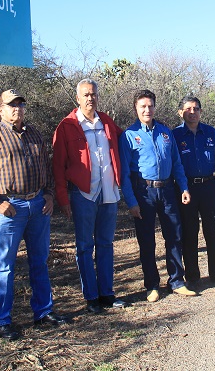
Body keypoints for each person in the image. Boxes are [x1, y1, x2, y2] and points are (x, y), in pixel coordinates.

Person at [0, 89, 68, 341]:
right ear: (0, 110)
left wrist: (48, 195)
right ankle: (2, 320)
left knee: (40, 261)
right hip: (10, 208)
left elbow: (47, 169)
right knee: (4, 265)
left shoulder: (34, 134)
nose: (17, 109)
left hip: (38, 205)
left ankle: (43, 312)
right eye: (12, 105)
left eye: (21, 104)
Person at [52, 79, 135, 314]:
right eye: (86, 95)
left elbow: (126, 142)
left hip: (109, 192)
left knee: (106, 244)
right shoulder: (66, 126)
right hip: (83, 195)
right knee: (85, 246)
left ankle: (107, 294)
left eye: (94, 94)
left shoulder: (106, 121)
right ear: (78, 98)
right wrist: (63, 199)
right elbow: (58, 166)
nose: (90, 98)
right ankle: (91, 297)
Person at [119, 89, 197, 302]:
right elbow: (124, 174)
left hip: (168, 190)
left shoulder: (165, 132)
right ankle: (152, 285)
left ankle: (176, 281)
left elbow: (177, 163)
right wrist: (131, 201)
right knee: (147, 241)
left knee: (174, 236)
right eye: (143, 106)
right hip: (143, 193)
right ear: (136, 108)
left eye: (150, 105)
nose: (147, 110)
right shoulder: (128, 135)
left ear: (155, 107)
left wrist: (184, 188)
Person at [172, 95, 215, 288]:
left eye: (196, 109)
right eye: (188, 109)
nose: (192, 112)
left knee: (214, 232)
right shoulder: (174, 136)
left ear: (201, 111)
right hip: (186, 189)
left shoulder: (211, 133)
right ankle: (192, 277)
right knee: (189, 234)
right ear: (181, 112)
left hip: (209, 187)